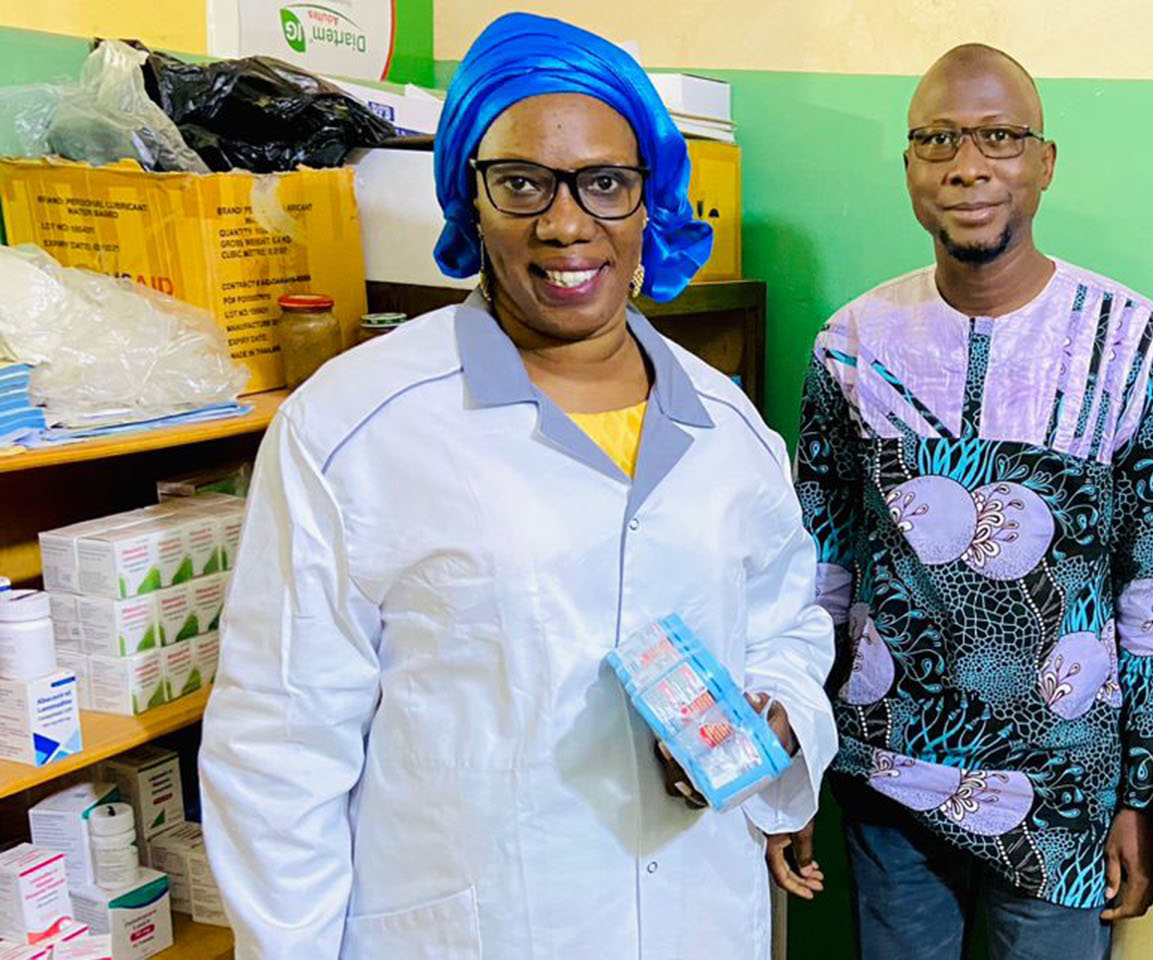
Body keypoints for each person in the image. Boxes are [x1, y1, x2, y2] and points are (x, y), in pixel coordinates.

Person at [198, 14, 834, 960]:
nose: (566, 222)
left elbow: (789, 623)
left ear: (649, 201)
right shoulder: (355, 426)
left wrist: (776, 717)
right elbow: (280, 748)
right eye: (522, 182)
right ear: (472, 198)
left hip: (699, 919)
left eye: (606, 183)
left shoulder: (728, 427)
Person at [765, 43, 1153, 960]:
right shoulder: (850, 344)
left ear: (1045, 163)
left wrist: (1143, 793)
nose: (967, 165)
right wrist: (797, 767)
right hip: (887, 773)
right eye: (938, 140)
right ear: (908, 170)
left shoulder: (1129, 340)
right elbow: (820, 566)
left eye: (1000, 137)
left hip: (1064, 791)